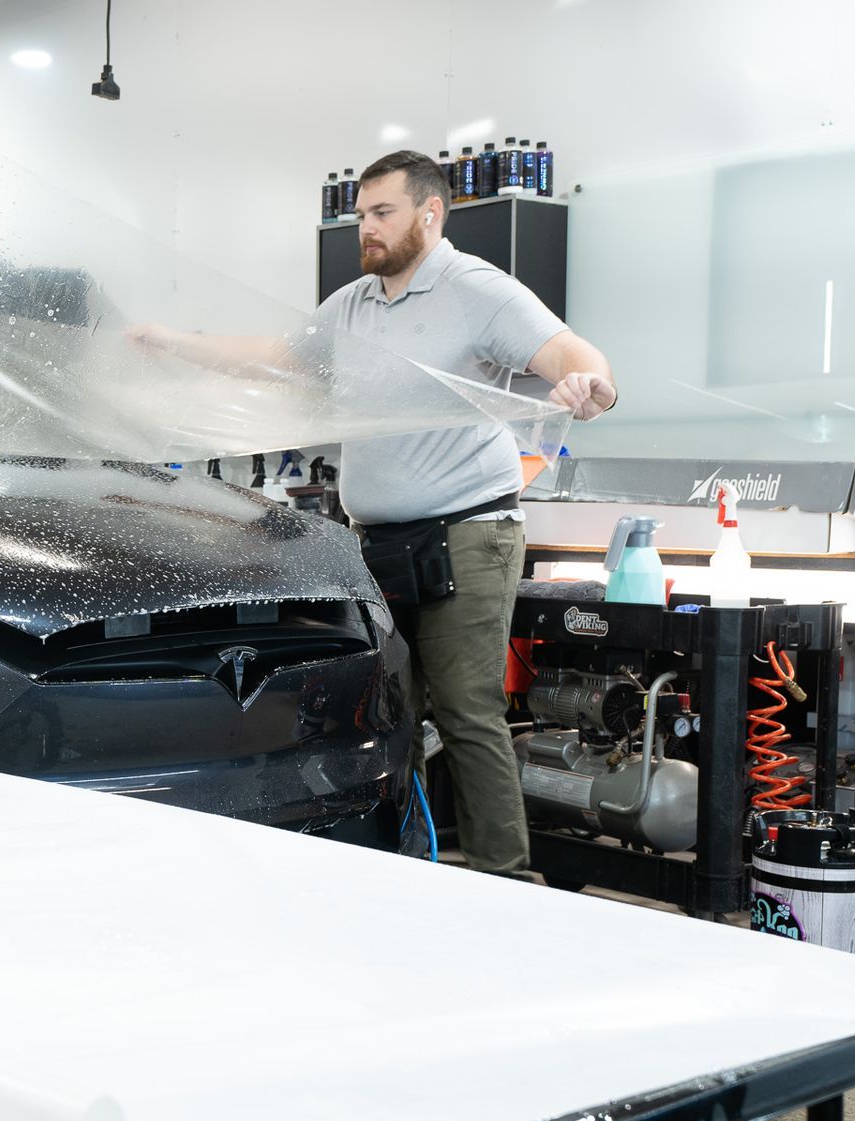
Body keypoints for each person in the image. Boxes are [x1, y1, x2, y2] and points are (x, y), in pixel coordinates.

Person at [130, 150, 616, 875]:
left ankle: (505, 885)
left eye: (382, 213)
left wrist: (589, 382)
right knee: (388, 715)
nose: (368, 228)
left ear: (430, 213)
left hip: (468, 536)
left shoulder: (476, 290)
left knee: (467, 713)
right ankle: (402, 869)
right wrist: (175, 344)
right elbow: (275, 356)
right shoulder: (354, 306)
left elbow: (566, 351)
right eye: (361, 215)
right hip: (379, 543)